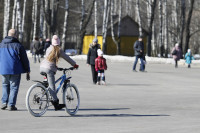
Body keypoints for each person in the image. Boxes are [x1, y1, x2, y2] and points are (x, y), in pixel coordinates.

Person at [40, 35, 79, 110]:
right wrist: (75, 64)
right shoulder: (59, 50)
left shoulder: (49, 48)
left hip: (42, 67)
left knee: (49, 83)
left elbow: (49, 60)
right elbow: (67, 58)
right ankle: (56, 103)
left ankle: (45, 89)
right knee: (52, 87)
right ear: (59, 42)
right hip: (49, 69)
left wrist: (55, 66)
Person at [0, 29, 30, 111]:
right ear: (15, 35)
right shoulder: (18, 45)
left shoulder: (1, 44)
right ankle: (11, 105)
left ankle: (4, 103)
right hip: (15, 69)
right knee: (14, 87)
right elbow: (24, 59)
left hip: (3, 69)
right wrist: (27, 69)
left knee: (5, 85)